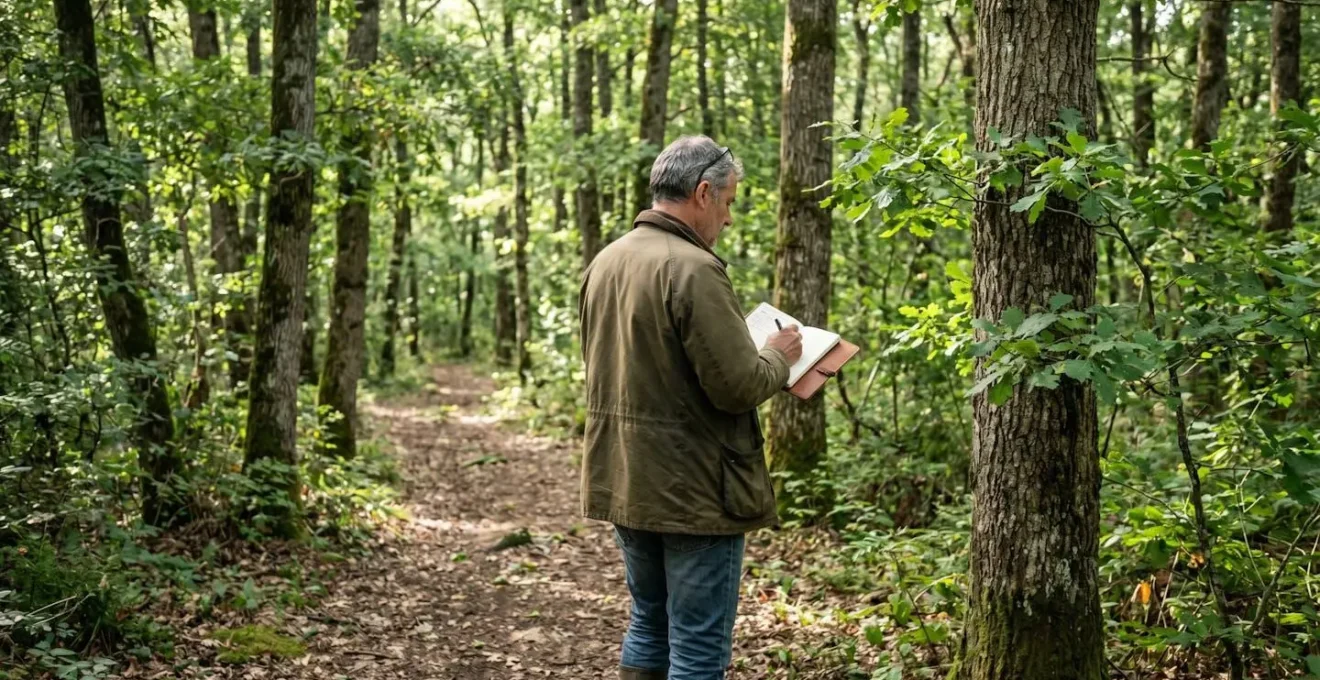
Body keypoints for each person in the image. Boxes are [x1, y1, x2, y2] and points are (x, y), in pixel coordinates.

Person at [579, 135, 804, 680]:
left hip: (625, 476)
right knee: (698, 647)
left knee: (649, 623)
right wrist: (779, 355)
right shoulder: (694, 269)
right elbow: (737, 386)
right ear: (703, 192)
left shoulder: (607, 260)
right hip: (695, 487)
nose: (728, 219)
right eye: (728, 203)